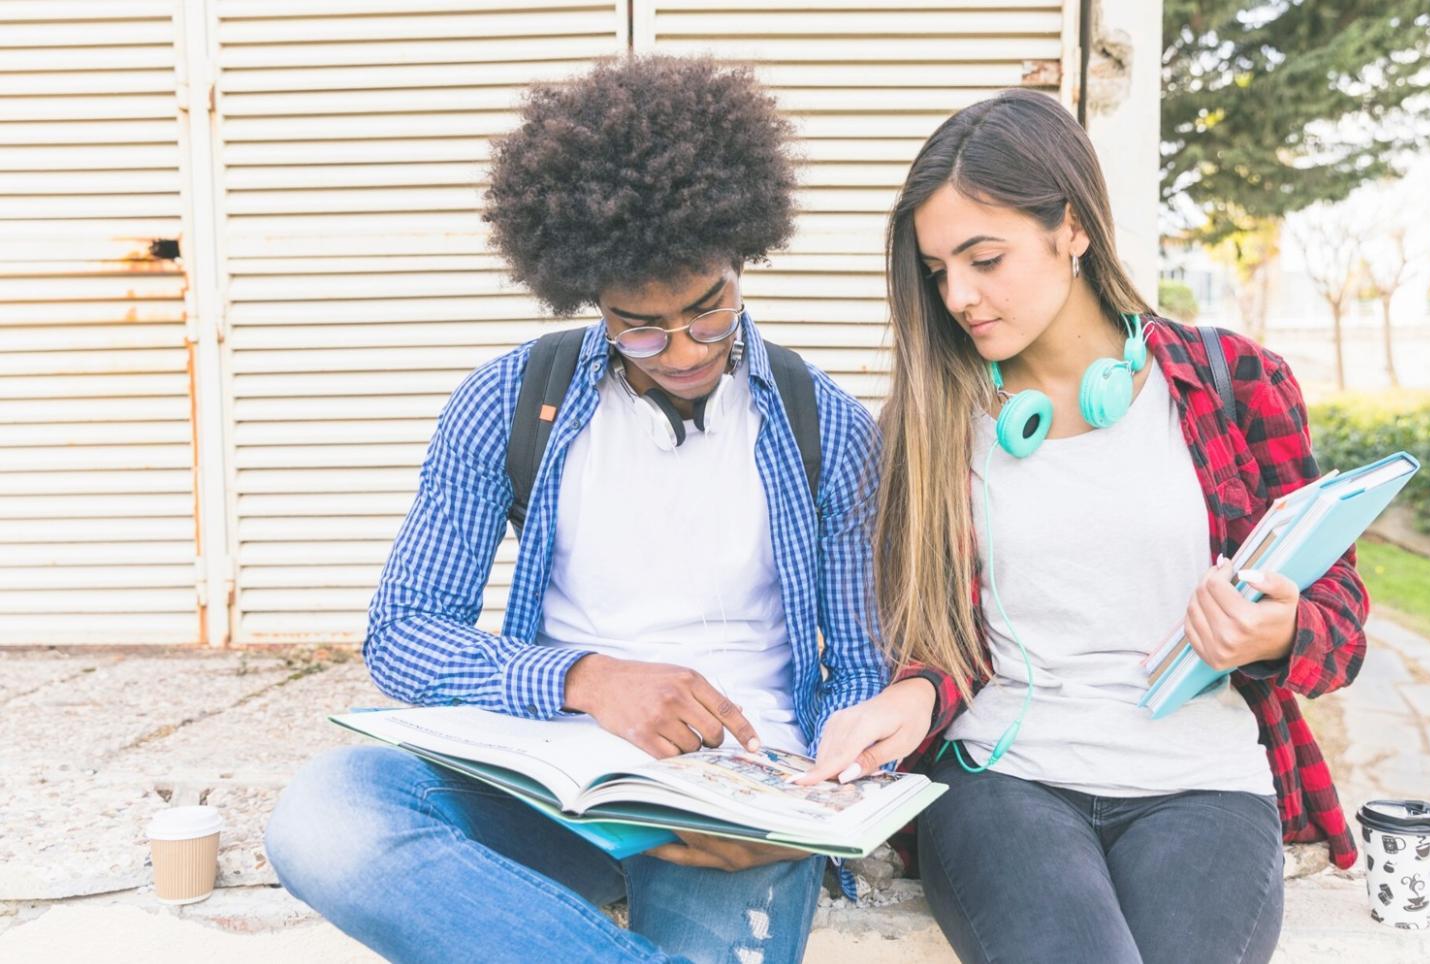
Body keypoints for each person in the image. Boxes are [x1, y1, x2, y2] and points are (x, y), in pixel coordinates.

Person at [264, 55, 886, 964]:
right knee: (327, 815)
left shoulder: (823, 425)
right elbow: (402, 634)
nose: (680, 351)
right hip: (554, 782)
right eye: (639, 325)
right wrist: (586, 679)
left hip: (740, 805)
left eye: (707, 313)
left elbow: (859, 669)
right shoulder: (508, 401)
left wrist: (813, 812)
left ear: (742, 259)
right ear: (588, 294)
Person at [796, 89, 1369, 963]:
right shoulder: (928, 422)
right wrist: (911, 697)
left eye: (985, 259)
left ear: (1072, 227)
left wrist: (1277, 628)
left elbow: (1340, 625)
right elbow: (941, 646)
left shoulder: (1236, 382)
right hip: (1003, 784)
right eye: (938, 270)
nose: (958, 295)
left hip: (1205, 784)